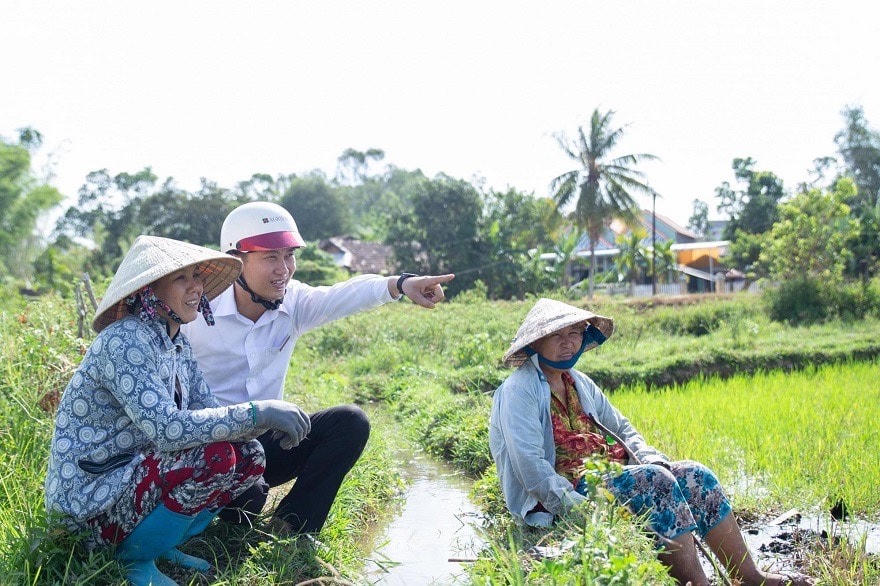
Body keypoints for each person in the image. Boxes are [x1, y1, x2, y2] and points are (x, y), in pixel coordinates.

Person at [45, 235, 318, 586]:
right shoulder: (125, 341)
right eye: (180, 279)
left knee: (249, 454)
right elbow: (167, 429)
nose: (195, 288)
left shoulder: (175, 341)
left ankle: (159, 543)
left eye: (198, 278)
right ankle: (133, 559)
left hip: (132, 477)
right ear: (149, 290)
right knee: (215, 458)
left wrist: (257, 426)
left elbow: (207, 409)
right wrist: (256, 412)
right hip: (93, 499)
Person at [488, 298, 813, 586]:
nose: (568, 344)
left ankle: (748, 576)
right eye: (557, 335)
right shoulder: (520, 391)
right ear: (536, 342)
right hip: (568, 492)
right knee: (654, 482)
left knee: (696, 475)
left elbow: (624, 430)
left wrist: (650, 458)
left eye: (574, 334)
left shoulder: (580, 383)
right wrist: (576, 508)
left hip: (609, 477)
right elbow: (530, 466)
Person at [181, 201, 454, 535]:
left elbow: (345, 294)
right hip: (210, 446)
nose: (284, 269)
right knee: (246, 502)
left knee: (350, 423)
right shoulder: (195, 311)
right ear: (237, 260)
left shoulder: (293, 301)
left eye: (289, 255)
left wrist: (400, 284)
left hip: (263, 442)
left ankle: (292, 525)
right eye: (270, 257)